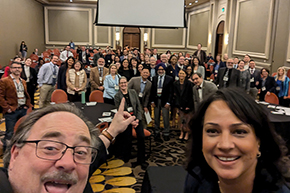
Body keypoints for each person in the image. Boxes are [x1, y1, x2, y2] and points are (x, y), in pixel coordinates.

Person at [1, 98, 137, 193]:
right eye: (50, 148)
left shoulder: (81, 172)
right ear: (15, 154)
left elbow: (96, 151)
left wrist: (112, 130)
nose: (69, 163)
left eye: (80, 152)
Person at [185, 88, 290, 193]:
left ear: (259, 140)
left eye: (239, 132)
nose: (225, 145)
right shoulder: (196, 179)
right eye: (212, 131)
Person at [114, 76, 148, 169]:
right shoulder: (117, 96)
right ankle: (126, 156)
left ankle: (141, 160)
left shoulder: (133, 92)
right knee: (127, 137)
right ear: (119, 85)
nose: (123, 84)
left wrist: (137, 119)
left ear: (127, 83)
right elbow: (120, 111)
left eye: (125, 82)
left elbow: (138, 107)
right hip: (126, 121)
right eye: (121, 83)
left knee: (141, 136)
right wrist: (130, 121)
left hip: (136, 119)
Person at [0, 61, 32, 151]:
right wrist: (7, 108)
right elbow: (1, 97)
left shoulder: (23, 81)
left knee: (22, 132)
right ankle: (8, 154)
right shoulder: (4, 81)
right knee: (10, 134)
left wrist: (27, 105)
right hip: (11, 110)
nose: (17, 69)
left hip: (22, 109)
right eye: (15, 67)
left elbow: (26, 94)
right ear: (10, 69)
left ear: (21, 69)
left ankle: (19, 151)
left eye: (19, 67)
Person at [150, 63, 173, 141]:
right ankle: (156, 132)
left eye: (162, 69)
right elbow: (152, 91)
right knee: (156, 117)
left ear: (164, 70)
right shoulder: (154, 78)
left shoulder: (169, 79)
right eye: (159, 70)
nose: (160, 71)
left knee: (165, 117)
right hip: (156, 100)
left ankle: (166, 133)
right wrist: (152, 101)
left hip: (165, 101)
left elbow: (171, 92)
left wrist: (168, 102)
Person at [173, 69, 194, 141]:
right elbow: (175, 95)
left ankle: (187, 134)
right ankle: (181, 132)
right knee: (181, 120)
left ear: (185, 75)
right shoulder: (175, 84)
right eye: (180, 73)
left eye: (183, 73)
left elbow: (191, 95)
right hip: (180, 105)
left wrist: (189, 105)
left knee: (187, 121)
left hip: (188, 105)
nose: (181, 75)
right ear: (178, 74)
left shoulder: (189, 84)